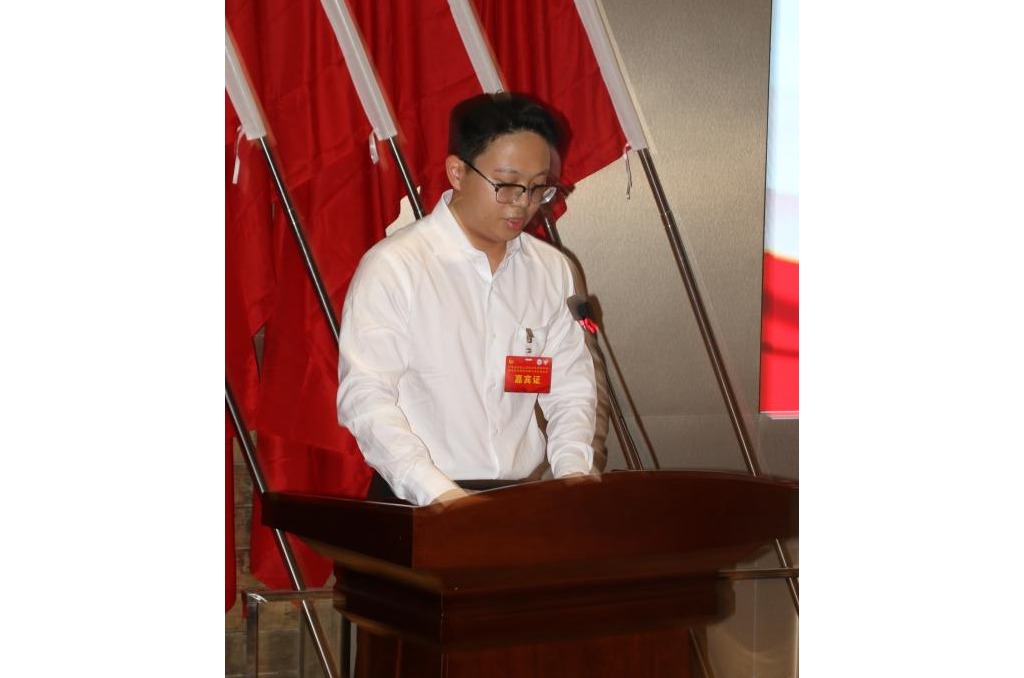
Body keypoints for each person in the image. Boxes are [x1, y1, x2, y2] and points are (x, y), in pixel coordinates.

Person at [336, 93, 598, 506]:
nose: (523, 204)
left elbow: (569, 387)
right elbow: (366, 397)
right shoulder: (396, 267)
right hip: (418, 502)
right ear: (457, 172)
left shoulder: (551, 270)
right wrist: (441, 495)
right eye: (507, 185)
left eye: (538, 188)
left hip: (517, 500)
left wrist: (573, 477)